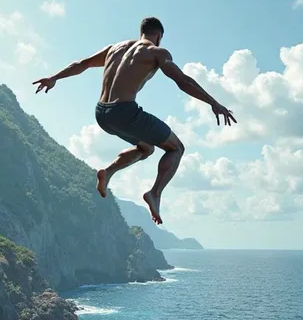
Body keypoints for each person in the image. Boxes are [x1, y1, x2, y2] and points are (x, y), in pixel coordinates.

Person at [33, 17, 236, 225]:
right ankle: (154, 193)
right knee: (176, 148)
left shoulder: (114, 48)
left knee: (146, 148)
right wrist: (213, 102)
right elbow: (182, 81)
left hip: (101, 113)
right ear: (159, 35)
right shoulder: (156, 52)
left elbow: (82, 64)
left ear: (141, 31)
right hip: (124, 112)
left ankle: (108, 171)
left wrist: (54, 77)